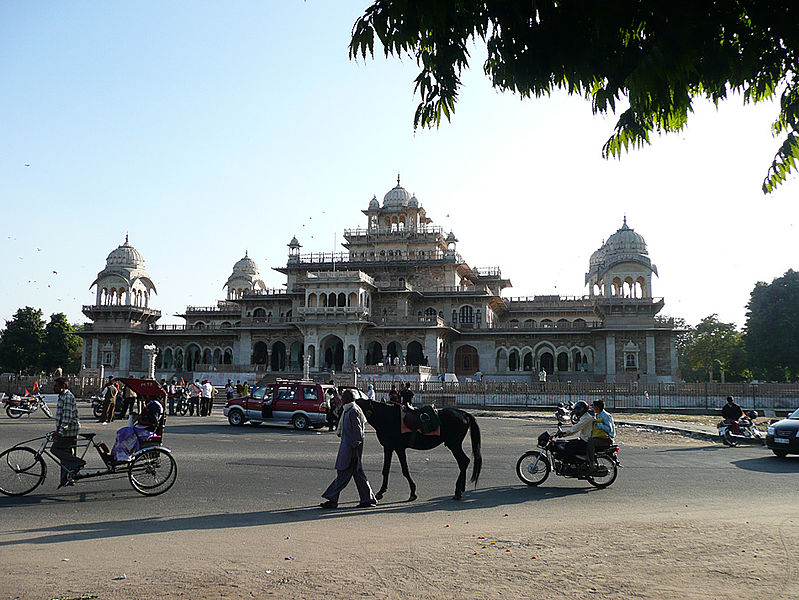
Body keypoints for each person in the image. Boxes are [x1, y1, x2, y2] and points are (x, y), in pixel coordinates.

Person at [320, 389, 377, 509]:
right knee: (358, 474)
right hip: (349, 448)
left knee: (343, 474)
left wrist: (355, 452)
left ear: (347, 399)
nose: (341, 400)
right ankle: (368, 499)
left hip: (351, 450)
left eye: (343, 398)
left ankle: (332, 499)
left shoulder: (352, 412)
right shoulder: (349, 410)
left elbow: (358, 435)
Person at [52, 377, 84, 488]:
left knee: (55, 449)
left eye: (56, 386)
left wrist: (60, 432)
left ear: (63, 387)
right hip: (65, 430)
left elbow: (67, 417)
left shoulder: (68, 397)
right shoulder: (62, 396)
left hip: (69, 431)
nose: (54, 388)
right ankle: (68, 478)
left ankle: (77, 463)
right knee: (66, 455)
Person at [587, 399, 615, 470]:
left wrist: (599, 425)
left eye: (594, 407)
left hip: (606, 439)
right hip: (600, 437)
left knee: (591, 442)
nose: (593, 408)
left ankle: (591, 462)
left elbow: (609, 429)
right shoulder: (598, 415)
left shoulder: (606, 416)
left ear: (597, 408)